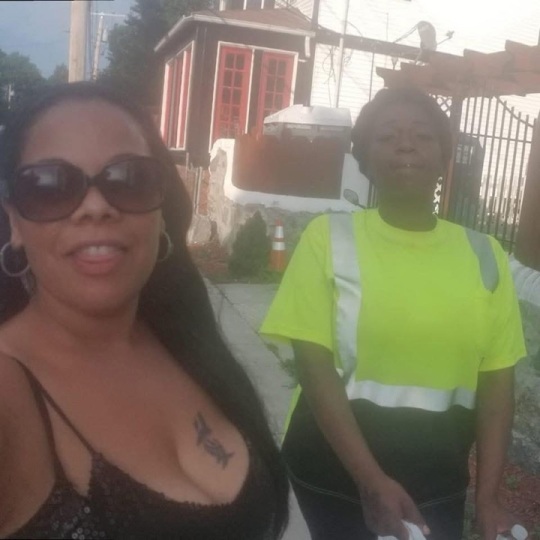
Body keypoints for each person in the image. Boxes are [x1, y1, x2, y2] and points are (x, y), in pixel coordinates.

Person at [0, 82, 289, 539]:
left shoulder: (181, 338)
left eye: (129, 179)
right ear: (14, 221)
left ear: (161, 211)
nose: (96, 207)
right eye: (50, 186)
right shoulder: (9, 390)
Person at [260, 87, 526, 540]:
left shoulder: (486, 254)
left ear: (443, 156)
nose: (406, 145)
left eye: (423, 135)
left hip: (437, 481)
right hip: (334, 477)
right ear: (364, 157)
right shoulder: (329, 238)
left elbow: (498, 383)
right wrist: (371, 481)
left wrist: (488, 497)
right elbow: (314, 365)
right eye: (387, 137)